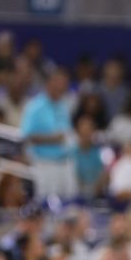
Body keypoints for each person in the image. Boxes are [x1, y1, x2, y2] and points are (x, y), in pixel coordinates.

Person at [19, 67, 78, 200]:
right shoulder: (34, 106)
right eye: (59, 82)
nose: (62, 87)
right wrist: (52, 139)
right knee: (46, 203)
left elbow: (66, 132)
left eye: (65, 83)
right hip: (44, 163)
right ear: (50, 83)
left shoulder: (64, 106)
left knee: (69, 203)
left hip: (65, 162)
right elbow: (26, 135)